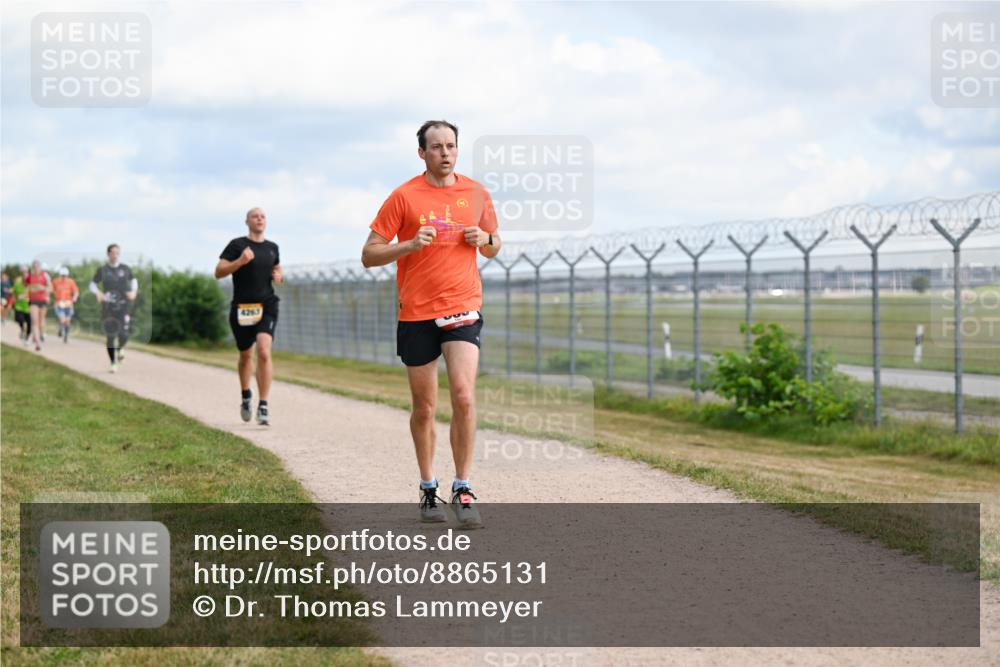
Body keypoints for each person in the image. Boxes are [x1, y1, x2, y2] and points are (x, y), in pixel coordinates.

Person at [362, 120, 500, 528]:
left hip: (462, 306)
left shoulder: (476, 193)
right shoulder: (403, 196)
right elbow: (369, 254)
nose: (445, 153)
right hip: (417, 313)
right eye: (436, 147)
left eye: (451, 146)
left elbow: (495, 245)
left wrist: (485, 240)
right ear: (422, 153)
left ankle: (463, 487)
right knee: (424, 408)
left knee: (464, 396)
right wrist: (408, 244)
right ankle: (427, 487)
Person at [214, 207, 282, 426]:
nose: (260, 219)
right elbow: (219, 271)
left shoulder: (272, 247)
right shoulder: (237, 245)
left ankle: (263, 405)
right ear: (247, 221)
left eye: (263, 216)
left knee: (263, 351)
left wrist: (278, 276)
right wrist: (240, 262)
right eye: (255, 216)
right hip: (242, 307)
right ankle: (246, 396)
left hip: (267, 304)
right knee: (246, 355)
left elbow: (277, 268)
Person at [90, 244, 138, 373]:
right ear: (108, 254)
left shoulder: (125, 268)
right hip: (108, 307)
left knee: (124, 334)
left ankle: (121, 348)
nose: (115, 255)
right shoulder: (102, 270)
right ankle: (112, 363)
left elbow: (134, 280)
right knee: (110, 337)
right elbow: (92, 284)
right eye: (113, 252)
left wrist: (133, 291)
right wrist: (98, 293)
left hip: (123, 306)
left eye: (117, 252)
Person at [25, 260, 52, 352]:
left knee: (41, 322)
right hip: (33, 301)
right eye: (34, 266)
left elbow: (50, 288)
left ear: (40, 267)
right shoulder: (29, 277)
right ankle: (37, 343)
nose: (36, 268)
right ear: (32, 267)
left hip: (43, 301)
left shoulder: (45, 275)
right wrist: (27, 294)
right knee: (35, 322)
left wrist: (42, 288)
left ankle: (39, 334)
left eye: (38, 266)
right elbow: (26, 287)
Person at [52, 267, 80, 343]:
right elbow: (51, 289)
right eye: (62, 275)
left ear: (67, 275)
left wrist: (74, 298)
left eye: (65, 275)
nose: (63, 277)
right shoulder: (55, 281)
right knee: (62, 319)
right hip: (59, 303)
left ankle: (66, 335)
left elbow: (76, 291)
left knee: (67, 321)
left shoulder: (71, 282)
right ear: (60, 275)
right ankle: (61, 328)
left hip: (68, 303)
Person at [11, 271, 31, 344]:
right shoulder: (17, 285)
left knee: (29, 325)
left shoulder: (31, 286)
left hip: (28, 308)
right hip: (19, 307)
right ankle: (22, 330)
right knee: (20, 321)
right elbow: (13, 294)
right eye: (24, 277)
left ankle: (26, 338)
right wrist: (14, 301)